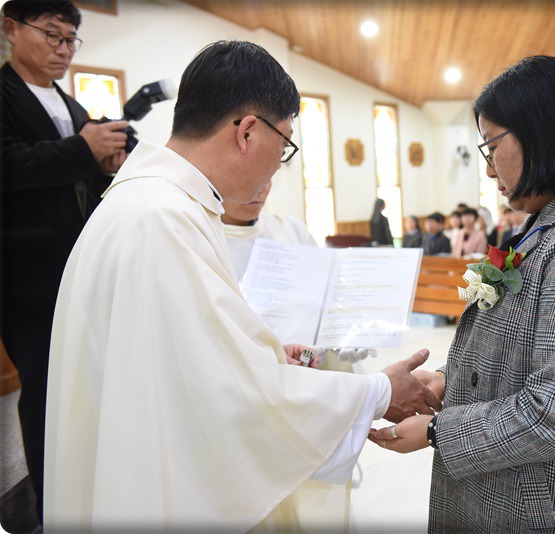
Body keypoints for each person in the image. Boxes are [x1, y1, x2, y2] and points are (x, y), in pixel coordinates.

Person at [44, 40, 441, 531]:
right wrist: (378, 393)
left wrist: (270, 355)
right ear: (248, 131)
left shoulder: (148, 203)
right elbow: (230, 398)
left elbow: (187, 365)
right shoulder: (165, 221)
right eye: (285, 145)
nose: (278, 165)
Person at [371, 55, 555, 532]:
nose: (489, 170)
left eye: (492, 146)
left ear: (543, 132)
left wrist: (436, 430)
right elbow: (523, 347)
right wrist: (449, 380)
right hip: (515, 494)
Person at [0, 0, 128, 520]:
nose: (64, 49)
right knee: (44, 388)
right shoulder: (4, 94)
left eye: (71, 39)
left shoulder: (69, 104)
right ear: (11, 28)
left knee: (84, 383)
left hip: (80, 266)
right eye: (52, 35)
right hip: (28, 275)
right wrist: (82, 149)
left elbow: (76, 177)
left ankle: (86, 484)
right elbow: (8, 164)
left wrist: (106, 163)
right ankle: (53, 503)